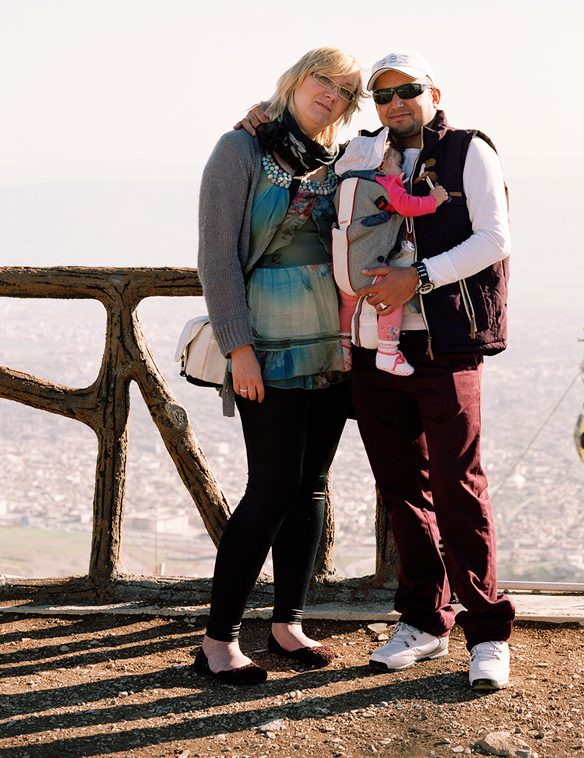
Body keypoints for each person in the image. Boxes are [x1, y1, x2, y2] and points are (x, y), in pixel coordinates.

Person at [239, 48, 514, 692]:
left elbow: (494, 238)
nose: (394, 103)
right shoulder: (360, 156)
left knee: (456, 486)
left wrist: (415, 277)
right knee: (401, 489)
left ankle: (488, 633)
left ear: (434, 92)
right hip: (371, 348)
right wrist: (257, 126)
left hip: (445, 342)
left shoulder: (471, 150)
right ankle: (424, 621)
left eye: (406, 91)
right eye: (382, 95)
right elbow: (305, 181)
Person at [194, 48, 363, 684]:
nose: (334, 95)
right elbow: (215, 255)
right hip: (265, 340)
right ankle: (219, 639)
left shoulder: (341, 160)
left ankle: (288, 622)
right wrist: (238, 347)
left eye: (348, 91)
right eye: (326, 80)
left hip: (332, 340)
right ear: (296, 79)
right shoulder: (238, 151)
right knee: (271, 486)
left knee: (313, 484)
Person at [333, 130, 449, 377]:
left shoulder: (345, 185)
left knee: (347, 305)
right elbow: (406, 205)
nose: (402, 172)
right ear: (382, 163)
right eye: (398, 164)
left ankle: (343, 349)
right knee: (391, 300)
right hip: (368, 268)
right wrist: (434, 199)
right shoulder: (383, 182)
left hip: (343, 268)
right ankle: (388, 352)